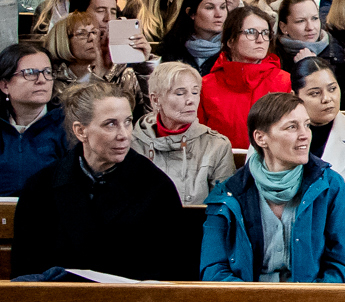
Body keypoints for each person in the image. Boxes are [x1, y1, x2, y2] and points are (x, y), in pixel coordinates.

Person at [12, 84, 192, 281]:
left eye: (128, 122)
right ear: (81, 131)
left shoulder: (156, 187)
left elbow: (175, 272)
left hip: (134, 299)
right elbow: (25, 271)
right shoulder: (41, 187)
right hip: (60, 298)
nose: (124, 135)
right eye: (110, 124)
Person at [201, 91, 345, 283]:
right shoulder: (229, 193)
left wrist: (306, 299)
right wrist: (253, 299)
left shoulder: (331, 186)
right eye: (292, 127)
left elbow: (342, 268)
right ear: (261, 138)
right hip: (246, 299)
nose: (304, 135)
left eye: (307, 125)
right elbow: (214, 270)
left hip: (312, 299)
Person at [134, 60, 239, 205]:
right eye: (180, 93)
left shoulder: (217, 146)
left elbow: (222, 207)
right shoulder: (132, 145)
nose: (191, 100)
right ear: (155, 99)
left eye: (195, 92)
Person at [197, 5, 292, 148]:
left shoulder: (284, 81)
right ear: (230, 40)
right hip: (219, 160)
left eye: (265, 33)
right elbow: (198, 139)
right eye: (251, 32)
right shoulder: (206, 86)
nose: (260, 39)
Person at [294, 55, 345, 206]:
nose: (327, 98)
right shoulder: (272, 135)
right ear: (294, 96)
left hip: (343, 219)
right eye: (315, 93)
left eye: (332, 89)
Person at [0, 40, 66, 193]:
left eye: (47, 72)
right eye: (30, 73)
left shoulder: (67, 126)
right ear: (5, 85)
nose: (41, 80)